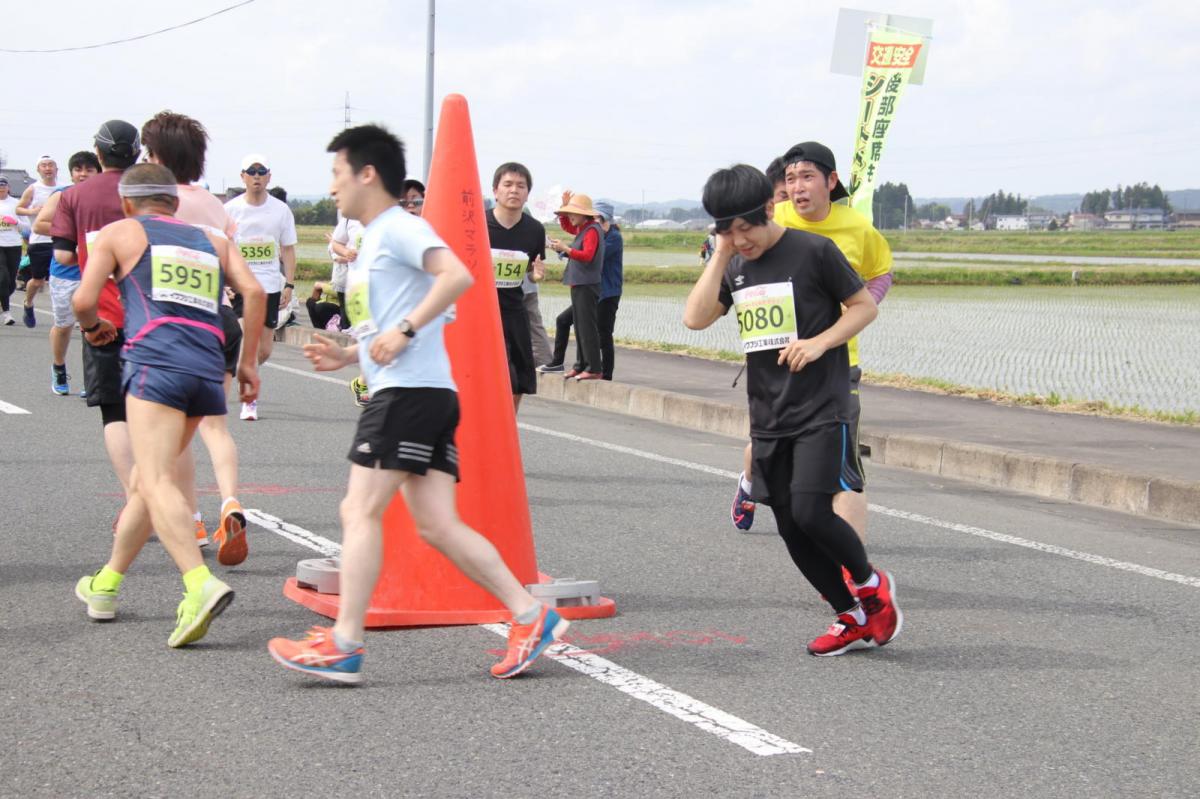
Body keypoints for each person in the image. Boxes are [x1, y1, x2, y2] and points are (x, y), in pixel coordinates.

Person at [268, 124, 567, 684]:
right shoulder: (372, 243)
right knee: (437, 525)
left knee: (358, 512)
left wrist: (402, 330)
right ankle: (530, 616)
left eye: (337, 174)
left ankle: (345, 644)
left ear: (367, 174)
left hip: (408, 395)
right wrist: (351, 354)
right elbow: (396, 326)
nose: (331, 188)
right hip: (419, 391)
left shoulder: (399, 229)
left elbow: (456, 276)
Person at [683, 164, 900, 656]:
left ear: (767, 209)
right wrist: (721, 254)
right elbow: (695, 318)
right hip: (768, 412)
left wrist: (820, 343)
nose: (741, 240)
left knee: (810, 509)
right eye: (727, 230)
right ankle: (851, 618)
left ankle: (870, 585)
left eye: (746, 228)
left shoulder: (813, 251)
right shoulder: (734, 262)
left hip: (823, 404)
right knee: (787, 522)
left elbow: (864, 306)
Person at [71, 163, 265, 647]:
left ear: (128, 202)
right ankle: (105, 586)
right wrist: (248, 365)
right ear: (175, 203)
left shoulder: (121, 231)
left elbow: (82, 300)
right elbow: (255, 291)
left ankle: (198, 584)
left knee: (156, 480)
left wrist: (94, 328)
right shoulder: (212, 241)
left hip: (155, 365)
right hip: (205, 369)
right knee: (146, 482)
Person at [732, 142, 893, 539]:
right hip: (773, 363)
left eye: (807, 177)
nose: (798, 187)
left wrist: (850, 312)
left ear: (831, 181)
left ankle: (852, 570)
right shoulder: (774, 218)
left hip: (836, 366)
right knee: (764, 449)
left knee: (845, 472)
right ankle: (749, 484)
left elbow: (881, 272)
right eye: (790, 179)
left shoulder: (857, 228)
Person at [141, 109, 252, 560]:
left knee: (177, 432)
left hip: (179, 326)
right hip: (223, 320)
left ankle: (192, 521)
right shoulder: (215, 205)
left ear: (157, 156)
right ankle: (231, 501)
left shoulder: (157, 203)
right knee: (215, 427)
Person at [50, 121, 142, 498]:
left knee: (115, 414)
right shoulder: (152, 191)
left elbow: (62, 254)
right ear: (136, 153)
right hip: (154, 318)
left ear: (98, 154)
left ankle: (137, 499)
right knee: (160, 416)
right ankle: (183, 510)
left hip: (103, 318)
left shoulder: (75, 196)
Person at [224, 153, 298, 420]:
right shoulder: (230, 210)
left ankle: (244, 368)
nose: (256, 177)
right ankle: (249, 401)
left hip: (270, 285)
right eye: (251, 172)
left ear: (269, 176)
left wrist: (289, 284)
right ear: (242, 176)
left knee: (264, 350)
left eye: (261, 172)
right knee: (248, 342)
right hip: (242, 285)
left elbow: (288, 250)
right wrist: (225, 282)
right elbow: (221, 248)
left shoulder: (280, 210)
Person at [32, 151, 102, 394]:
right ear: (71, 173)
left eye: (89, 169)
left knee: (92, 325)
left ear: (98, 172)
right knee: (63, 325)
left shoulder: (105, 197)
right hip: (66, 270)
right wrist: (71, 231)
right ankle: (59, 366)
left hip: (95, 270)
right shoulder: (62, 195)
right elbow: (40, 223)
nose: (83, 174)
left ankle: (90, 380)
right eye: (78, 169)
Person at [486, 161, 546, 412]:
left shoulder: (534, 230)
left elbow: (531, 273)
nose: (514, 190)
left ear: (527, 193)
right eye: (508, 184)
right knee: (479, 377)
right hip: (479, 312)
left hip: (513, 310)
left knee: (519, 378)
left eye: (521, 186)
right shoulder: (477, 225)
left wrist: (536, 276)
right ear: (495, 191)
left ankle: (506, 430)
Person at [548, 191, 605, 380]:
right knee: (580, 326)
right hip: (580, 284)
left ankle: (594, 368)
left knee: (587, 327)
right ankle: (581, 365)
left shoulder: (592, 231)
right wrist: (563, 210)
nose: (570, 216)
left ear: (584, 214)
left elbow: (587, 256)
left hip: (587, 285)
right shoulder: (583, 228)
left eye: (573, 212)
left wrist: (566, 249)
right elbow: (567, 226)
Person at [16, 155, 61, 328]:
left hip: (61, 238)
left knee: (65, 278)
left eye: (51, 165)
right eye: (44, 165)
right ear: (38, 170)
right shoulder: (33, 188)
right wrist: (33, 210)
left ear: (57, 169)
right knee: (38, 280)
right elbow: (19, 208)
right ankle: (28, 303)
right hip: (39, 240)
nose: (48, 168)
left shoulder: (64, 189)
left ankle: (69, 315)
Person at [595, 202, 623, 380]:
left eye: (597, 218)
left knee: (604, 333)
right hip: (595, 290)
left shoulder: (614, 237)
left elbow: (596, 255)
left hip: (609, 292)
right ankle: (593, 367)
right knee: (593, 331)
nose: (595, 221)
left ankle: (607, 374)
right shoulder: (599, 235)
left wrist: (568, 251)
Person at [0, 177, 22, 326]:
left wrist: (15, 222)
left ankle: (3, 299)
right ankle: (7, 313)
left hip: (14, 244)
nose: (1, 187)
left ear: (8, 187)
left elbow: (27, 226)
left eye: (3, 185)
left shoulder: (16, 204)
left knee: (11, 283)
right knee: (3, 277)